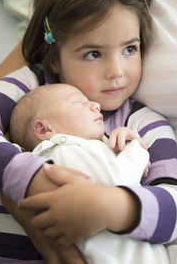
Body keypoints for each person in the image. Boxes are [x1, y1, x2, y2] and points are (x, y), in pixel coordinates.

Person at [0, 0, 177, 263]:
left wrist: (110, 208)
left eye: (130, 49)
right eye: (93, 54)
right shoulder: (33, 84)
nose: (116, 72)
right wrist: (28, 178)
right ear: (56, 57)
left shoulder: (143, 123)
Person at [9, 83, 166, 264]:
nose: (95, 105)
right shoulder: (59, 152)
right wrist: (136, 148)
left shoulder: (79, 150)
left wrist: (121, 141)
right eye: (78, 102)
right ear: (44, 130)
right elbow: (118, 179)